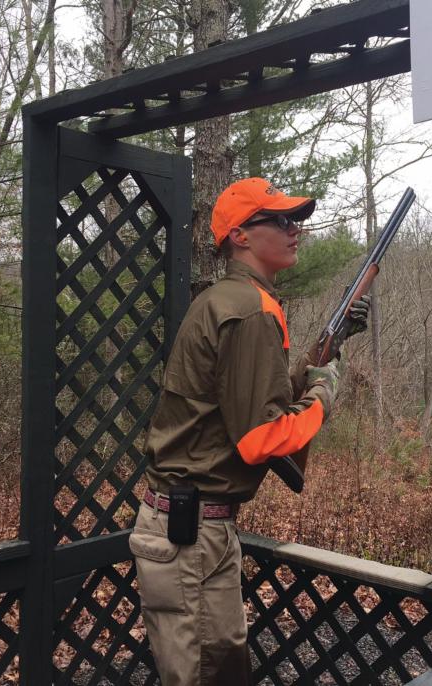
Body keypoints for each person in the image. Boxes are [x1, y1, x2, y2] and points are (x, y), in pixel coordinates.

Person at [129, 178, 370, 685]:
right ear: (240, 235)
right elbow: (263, 437)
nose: (295, 230)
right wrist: (325, 392)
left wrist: (329, 346)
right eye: (280, 220)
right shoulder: (250, 310)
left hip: (198, 530)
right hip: (189, 536)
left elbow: (256, 400)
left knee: (220, 670)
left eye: (296, 220)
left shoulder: (235, 301)